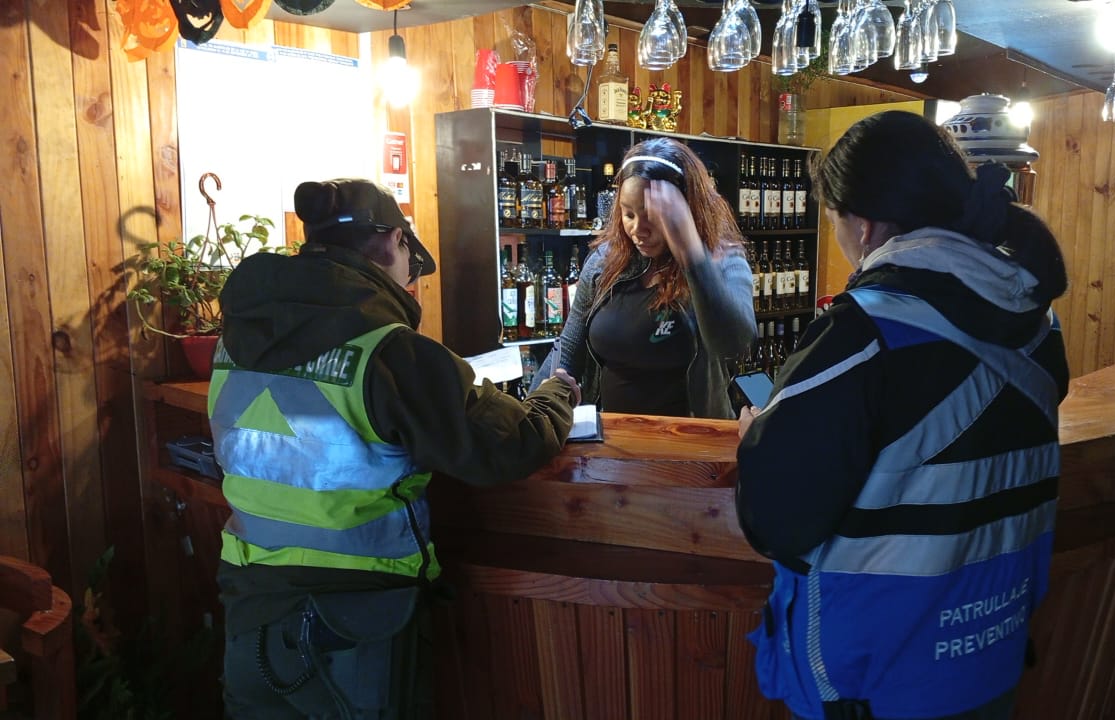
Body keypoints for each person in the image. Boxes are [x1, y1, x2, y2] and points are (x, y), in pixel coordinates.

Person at [735, 110, 1070, 720]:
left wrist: (759, 438)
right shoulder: (1036, 322)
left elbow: (778, 520)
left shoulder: (865, 331)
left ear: (863, 227)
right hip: (992, 652)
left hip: (880, 682)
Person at [209, 178, 580, 719]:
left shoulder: (235, 340)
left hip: (250, 607)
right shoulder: (387, 351)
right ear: (392, 242)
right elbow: (511, 443)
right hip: (356, 624)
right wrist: (555, 395)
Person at [534, 137, 755, 419]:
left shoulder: (723, 260)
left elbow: (734, 344)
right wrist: (534, 406)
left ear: (688, 210)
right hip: (613, 434)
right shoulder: (604, 261)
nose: (638, 229)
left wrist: (690, 251)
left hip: (693, 435)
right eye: (628, 214)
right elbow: (568, 350)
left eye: (651, 216)